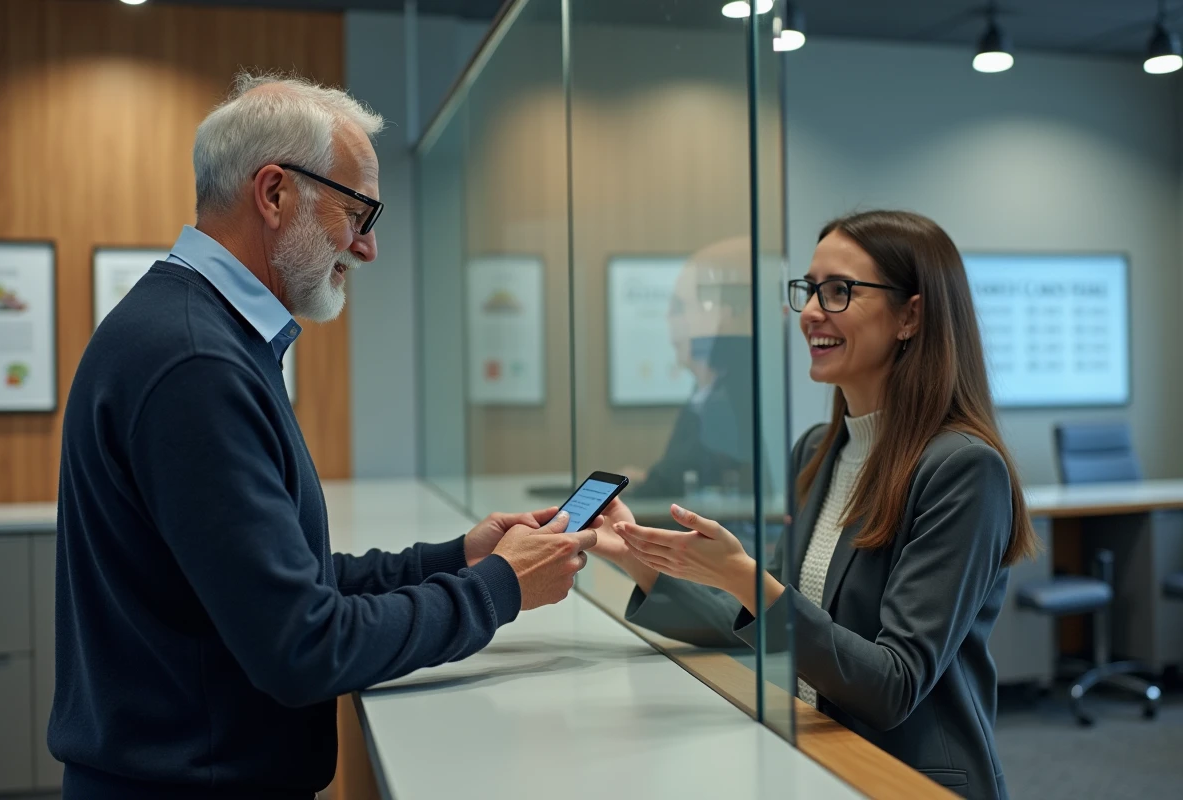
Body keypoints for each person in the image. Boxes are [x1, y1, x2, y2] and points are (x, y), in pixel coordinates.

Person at [50, 73, 596, 799]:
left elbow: (280, 581)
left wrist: (459, 558)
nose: (367, 248)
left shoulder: (196, 334)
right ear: (274, 194)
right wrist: (501, 587)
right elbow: (302, 645)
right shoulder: (195, 362)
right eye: (357, 212)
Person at [593, 210, 1037, 800]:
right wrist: (640, 559)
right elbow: (763, 627)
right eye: (808, 289)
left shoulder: (963, 469)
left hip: (904, 780)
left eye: (839, 291)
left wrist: (744, 578)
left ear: (911, 316)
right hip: (819, 759)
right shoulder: (818, 451)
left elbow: (893, 685)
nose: (809, 312)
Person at [622, 238, 757, 501]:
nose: (668, 319)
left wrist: (650, 484)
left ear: (720, 315)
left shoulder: (734, 398)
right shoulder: (706, 392)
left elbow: (682, 472)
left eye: (680, 308)